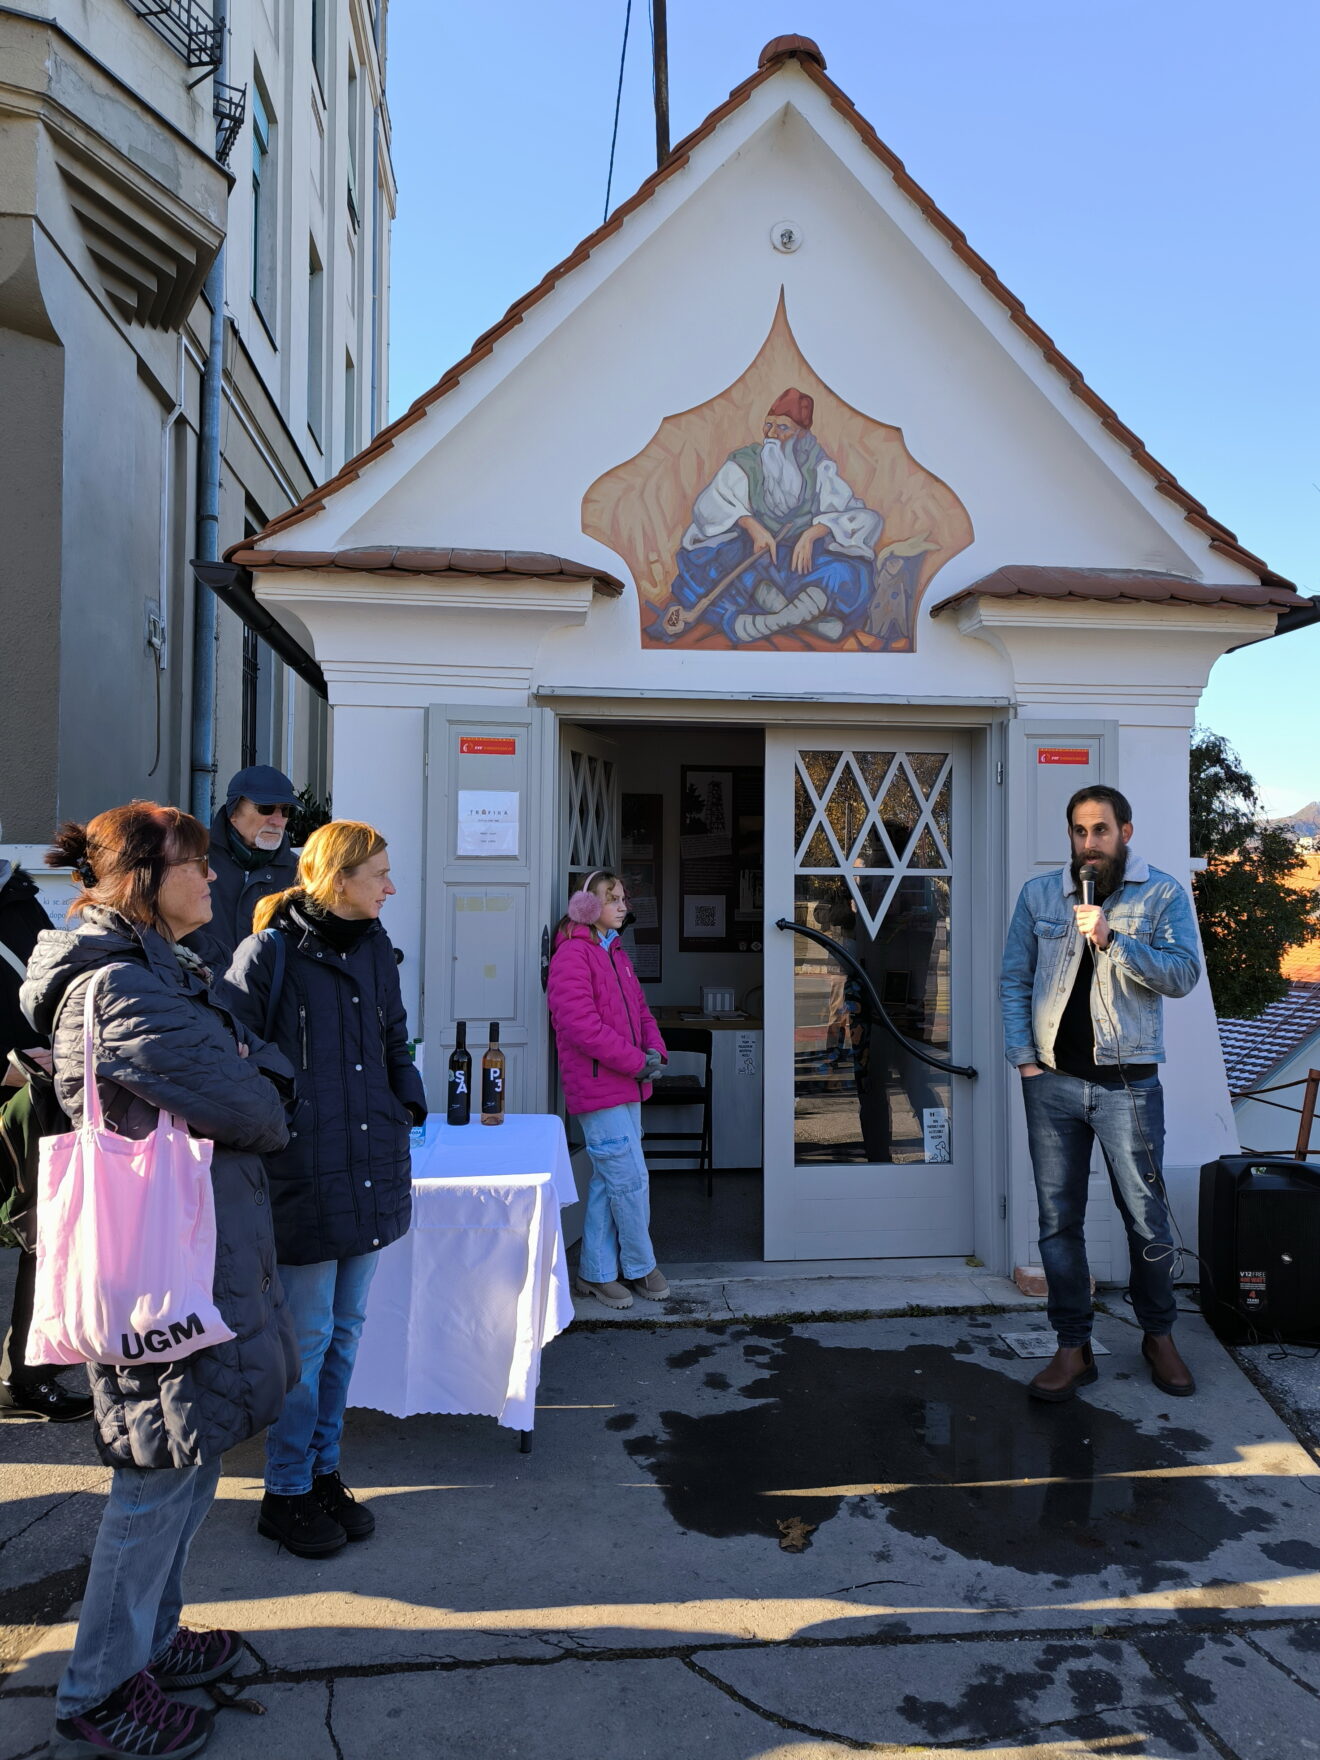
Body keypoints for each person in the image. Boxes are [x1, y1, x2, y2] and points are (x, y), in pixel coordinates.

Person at [21, 802, 297, 1759]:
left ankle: (155, 1639)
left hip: (191, 1262)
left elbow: (254, 1069)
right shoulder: (125, 993)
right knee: (153, 1477)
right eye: (199, 863)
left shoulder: (160, 973)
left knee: (188, 1464)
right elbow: (254, 1102)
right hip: (157, 1271)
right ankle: (96, 1691)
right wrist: (255, 1074)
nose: (214, 879)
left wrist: (253, 1068)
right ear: (144, 877)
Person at [213, 821, 426, 1558]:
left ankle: (324, 1471)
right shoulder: (268, 952)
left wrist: (409, 1096)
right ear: (337, 880)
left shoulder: (373, 950)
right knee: (304, 1341)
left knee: (347, 1333)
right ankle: (287, 1490)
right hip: (301, 1172)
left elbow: (394, 1035)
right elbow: (226, 1044)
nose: (391, 888)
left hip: (370, 1161)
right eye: (380, 876)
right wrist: (286, 1105)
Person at [1000, 785, 1201, 1403]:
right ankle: (1073, 1345)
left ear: (1126, 832)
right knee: (1059, 1222)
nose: (1090, 843)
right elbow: (1014, 980)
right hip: (1053, 1084)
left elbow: (1184, 975)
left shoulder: (1162, 892)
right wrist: (1026, 1062)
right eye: (1080, 831)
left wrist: (1114, 940)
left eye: (1101, 831)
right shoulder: (1039, 895)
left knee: (1147, 1218)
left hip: (1128, 1085)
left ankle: (1158, 1335)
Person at [670, 388, 885, 644]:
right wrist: (752, 526)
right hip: (755, 554)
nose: (772, 435)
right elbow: (711, 505)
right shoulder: (747, 461)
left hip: (796, 560)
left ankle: (770, 621)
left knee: (850, 571)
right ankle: (804, 618)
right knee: (707, 558)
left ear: (801, 435)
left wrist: (812, 533)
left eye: (782, 428)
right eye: (768, 425)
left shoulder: (817, 465)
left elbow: (849, 513)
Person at [546, 870, 669, 1310]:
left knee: (608, 1180)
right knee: (629, 1180)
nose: (623, 906)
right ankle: (641, 1266)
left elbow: (640, 1011)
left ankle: (595, 1275)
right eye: (613, 899)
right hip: (600, 1089)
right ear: (586, 906)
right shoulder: (572, 956)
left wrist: (655, 1049)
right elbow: (581, 1027)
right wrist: (637, 1062)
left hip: (627, 1085)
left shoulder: (615, 952)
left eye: (623, 899)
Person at [0, 834, 91, 1421]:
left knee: (41, 1234)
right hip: (14, 1084)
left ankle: (29, 1374)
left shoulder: (16, 896)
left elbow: (42, 992)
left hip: (35, 1099)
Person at [184, 764, 299, 972]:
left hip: (267, 998)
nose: (277, 820)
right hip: (201, 989)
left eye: (286, 810)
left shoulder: (299, 873)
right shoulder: (191, 857)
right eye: (266, 808)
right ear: (234, 811)